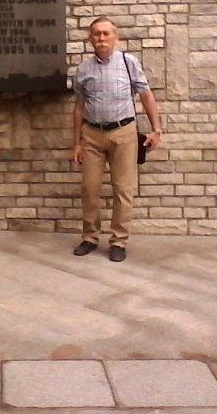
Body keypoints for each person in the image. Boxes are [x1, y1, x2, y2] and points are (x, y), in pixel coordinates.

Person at [71, 17, 162, 262]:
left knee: (123, 189)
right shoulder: (83, 69)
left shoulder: (128, 63)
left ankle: (119, 241)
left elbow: (146, 95)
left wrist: (156, 130)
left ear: (115, 36)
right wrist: (77, 143)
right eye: (96, 34)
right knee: (90, 188)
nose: (101, 38)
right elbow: (79, 107)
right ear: (90, 38)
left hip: (124, 134)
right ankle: (90, 237)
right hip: (92, 135)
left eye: (106, 33)